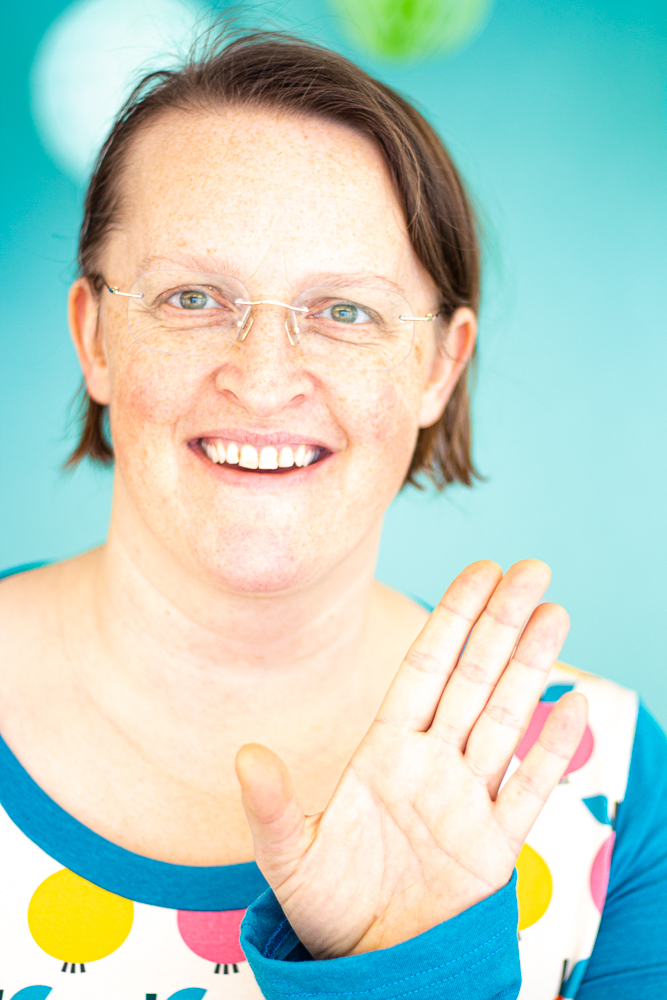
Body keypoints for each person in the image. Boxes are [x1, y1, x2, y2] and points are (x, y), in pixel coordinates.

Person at [0, 29, 665, 1000]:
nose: (263, 377)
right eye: (192, 296)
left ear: (441, 363)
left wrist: (414, 965)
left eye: (343, 311)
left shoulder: (610, 787)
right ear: (95, 334)